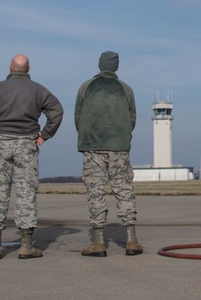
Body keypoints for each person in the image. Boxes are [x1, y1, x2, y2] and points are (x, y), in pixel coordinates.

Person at [0, 53, 63, 260]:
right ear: (29, 69)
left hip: (0, 143)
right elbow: (57, 111)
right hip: (26, 144)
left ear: (10, 68)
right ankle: (26, 245)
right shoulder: (39, 90)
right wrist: (44, 135)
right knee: (26, 192)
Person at [75, 50, 141, 256]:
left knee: (95, 191)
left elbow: (78, 117)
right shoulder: (126, 89)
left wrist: (89, 137)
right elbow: (132, 118)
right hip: (119, 146)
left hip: (93, 146)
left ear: (99, 65)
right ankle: (131, 240)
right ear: (116, 67)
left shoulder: (86, 87)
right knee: (124, 190)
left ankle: (98, 241)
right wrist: (121, 136)